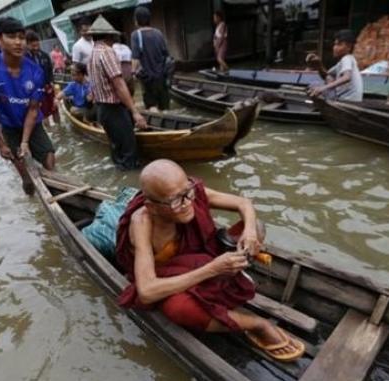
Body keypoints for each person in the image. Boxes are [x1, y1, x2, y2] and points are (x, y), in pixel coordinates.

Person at [116, 159, 305, 362]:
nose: (188, 203)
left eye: (188, 192)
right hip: (170, 280)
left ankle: (228, 278)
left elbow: (243, 203)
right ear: (152, 207)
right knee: (178, 309)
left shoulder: (191, 193)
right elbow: (146, 292)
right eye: (175, 201)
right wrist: (212, 269)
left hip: (202, 262)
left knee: (256, 228)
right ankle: (257, 324)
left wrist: (249, 232)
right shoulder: (142, 222)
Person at [0, 17, 56, 195]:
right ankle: (32, 200)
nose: (18, 42)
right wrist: (0, 145)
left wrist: (25, 142)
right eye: (12, 37)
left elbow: (33, 108)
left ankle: (55, 195)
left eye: (21, 37)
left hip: (33, 124)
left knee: (50, 159)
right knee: (26, 178)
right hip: (9, 127)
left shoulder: (35, 71)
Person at [87, 15, 147, 171]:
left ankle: (121, 178)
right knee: (129, 151)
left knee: (116, 149)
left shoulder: (92, 54)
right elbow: (119, 84)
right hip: (113, 110)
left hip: (103, 110)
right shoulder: (107, 52)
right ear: (109, 36)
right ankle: (132, 182)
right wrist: (135, 112)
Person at [131, 6, 171, 111]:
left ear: (137, 20)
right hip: (162, 76)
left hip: (148, 78)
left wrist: (133, 74)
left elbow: (135, 58)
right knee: (165, 107)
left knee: (151, 106)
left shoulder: (136, 35)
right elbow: (166, 54)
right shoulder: (158, 33)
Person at [307, 29, 363, 102]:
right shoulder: (340, 63)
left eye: (339, 45)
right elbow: (327, 77)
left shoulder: (347, 58)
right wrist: (319, 65)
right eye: (335, 44)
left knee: (314, 84)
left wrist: (323, 88)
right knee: (318, 84)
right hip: (345, 98)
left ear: (349, 47)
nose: (335, 48)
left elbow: (347, 77)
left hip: (349, 100)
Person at [25, 30, 60, 126]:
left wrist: (52, 82)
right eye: (33, 46)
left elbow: (50, 70)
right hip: (36, 91)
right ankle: (49, 131)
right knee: (43, 113)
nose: (36, 48)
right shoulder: (24, 59)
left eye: (37, 45)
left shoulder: (44, 56)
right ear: (27, 44)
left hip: (48, 87)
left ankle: (59, 127)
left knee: (54, 108)